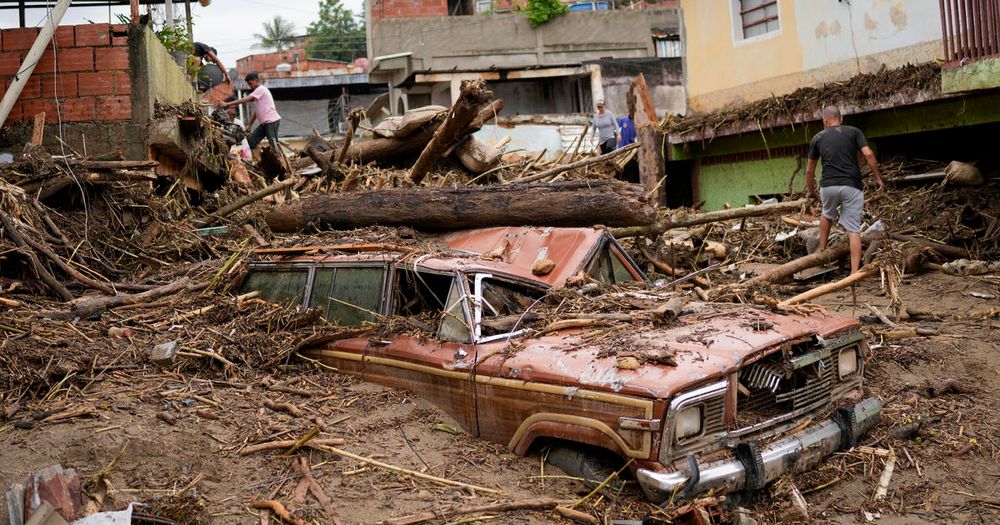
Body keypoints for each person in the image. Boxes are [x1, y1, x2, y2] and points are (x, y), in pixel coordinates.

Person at [805, 105, 884, 274]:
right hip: (852, 185)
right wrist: (877, 177)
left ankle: (822, 252)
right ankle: (854, 273)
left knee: (827, 214)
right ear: (841, 119)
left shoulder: (818, 137)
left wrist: (811, 191)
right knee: (853, 229)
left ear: (824, 120)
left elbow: (809, 170)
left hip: (828, 186)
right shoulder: (854, 132)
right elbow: (868, 154)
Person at [219, 72, 282, 152]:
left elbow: (245, 99)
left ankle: (280, 161)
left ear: (256, 80)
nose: (250, 86)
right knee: (251, 141)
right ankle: (261, 161)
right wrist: (250, 124)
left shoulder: (261, 89)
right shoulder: (258, 94)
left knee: (274, 145)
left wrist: (227, 104)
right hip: (264, 124)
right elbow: (256, 112)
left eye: (250, 83)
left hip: (272, 122)